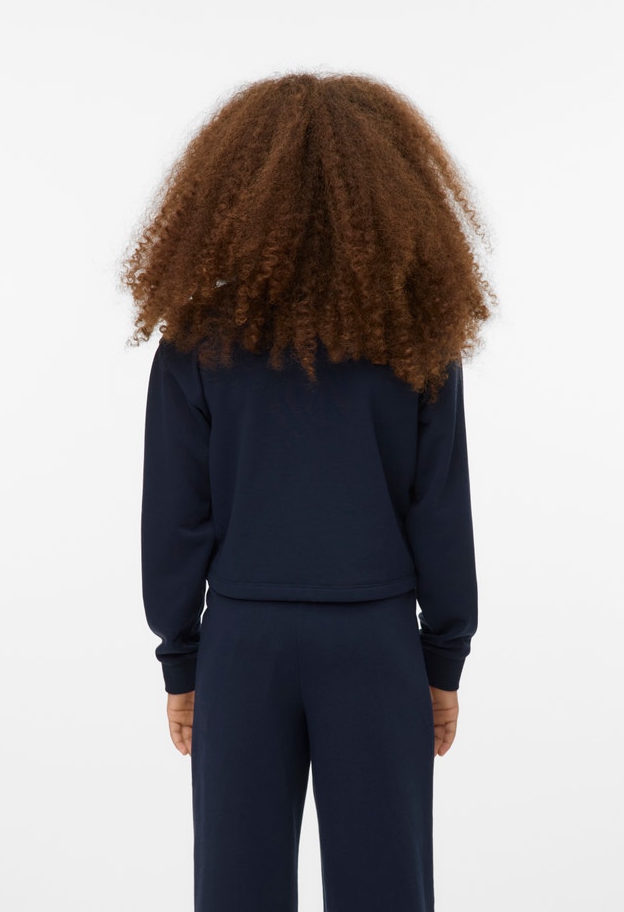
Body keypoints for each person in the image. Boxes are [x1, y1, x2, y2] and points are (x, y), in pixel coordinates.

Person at [120, 70, 497, 912]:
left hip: (242, 646)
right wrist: (443, 658)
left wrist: (182, 657)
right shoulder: (418, 345)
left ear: (228, 192)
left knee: (235, 891)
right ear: (393, 193)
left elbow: (175, 518)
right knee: (388, 891)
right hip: (376, 645)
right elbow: (440, 511)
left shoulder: (196, 344)